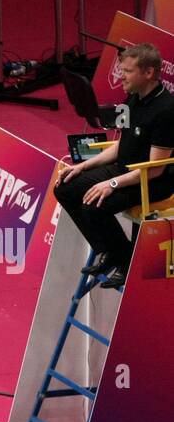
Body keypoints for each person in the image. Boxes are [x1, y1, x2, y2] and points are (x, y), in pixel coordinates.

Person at [53, 42, 174, 289]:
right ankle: (110, 251)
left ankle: (124, 260)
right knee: (65, 187)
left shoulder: (167, 111)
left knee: (94, 205)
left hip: (152, 181)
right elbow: (121, 145)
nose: (121, 76)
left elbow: (155, 168)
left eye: (128, 71)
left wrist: (112, 183)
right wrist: (84, 167)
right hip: (125, 168)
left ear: (149, 73)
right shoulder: (132, 98)